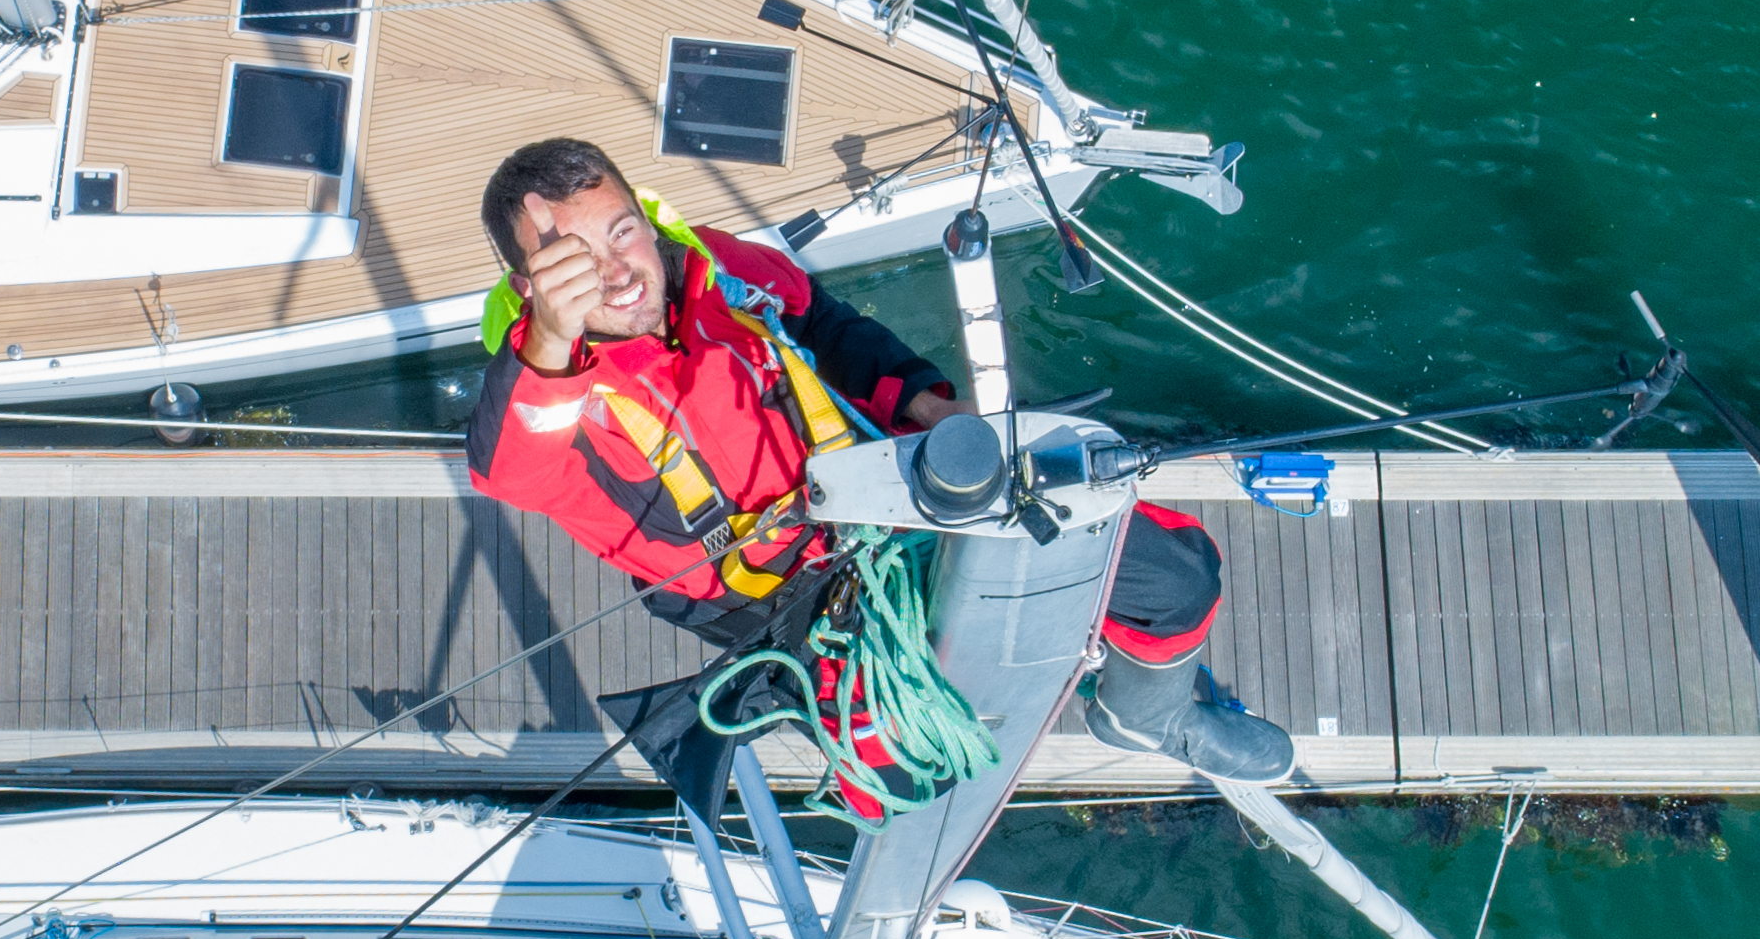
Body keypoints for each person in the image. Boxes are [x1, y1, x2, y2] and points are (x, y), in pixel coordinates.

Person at [465, 137, 1292, 788]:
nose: (614, 275)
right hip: (785, 595)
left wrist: (921, 402)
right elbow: (510, 466)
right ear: (531, 283)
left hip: (883, 490)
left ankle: (1146, 716)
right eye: (570, 264)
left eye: (621, 234)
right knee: (905, 766)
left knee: (1175, 573)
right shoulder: (551, 399)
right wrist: (547, 341)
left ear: (644, 219)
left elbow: (822, 323)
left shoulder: (705, 264)